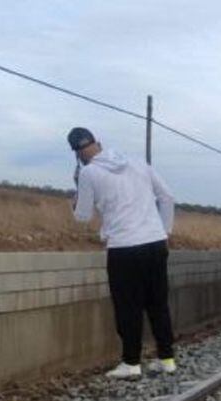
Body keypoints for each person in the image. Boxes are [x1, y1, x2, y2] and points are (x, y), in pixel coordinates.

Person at [68, 127, 178, 379]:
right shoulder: (138, 162)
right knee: (158, 304)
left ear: (77, 153)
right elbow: (167, 196)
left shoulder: (88, 172)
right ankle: (167, 359)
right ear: (98, 142)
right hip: (155, 243)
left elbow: (83, 216)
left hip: (123, 249)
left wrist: (74, 198)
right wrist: (164, 231)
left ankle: (131, 363)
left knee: (128, 308)